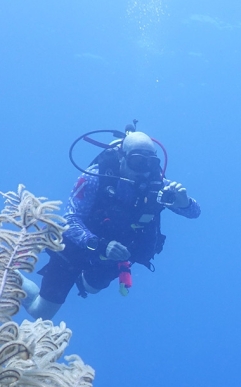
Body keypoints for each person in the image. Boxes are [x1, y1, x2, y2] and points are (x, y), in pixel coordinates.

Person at [21, 129, 200, 320]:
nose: (144, 170)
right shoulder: (94, 176)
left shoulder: (158, 184)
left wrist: (184, 202)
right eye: (138, 161)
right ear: (121, 157)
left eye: (151, 162)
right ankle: (10, 275)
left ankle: (85, 279)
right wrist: (100, 244)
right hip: (74, 252)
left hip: (110, 258)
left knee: (91, 287)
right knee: (41, 312)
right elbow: (71, 220)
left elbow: (194, 212)